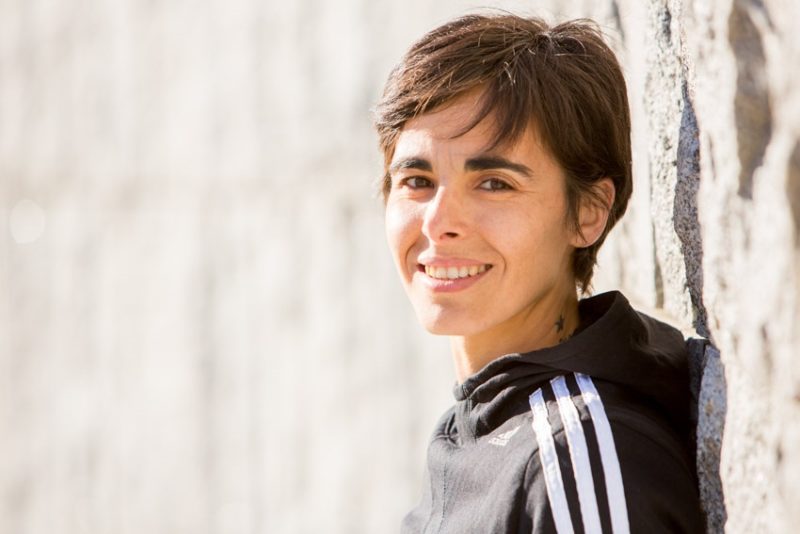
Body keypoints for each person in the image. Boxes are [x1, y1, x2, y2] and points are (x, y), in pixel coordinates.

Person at [373, 13, 705, 534]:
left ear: (587, 211)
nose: (438, 223)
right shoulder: (480, 423)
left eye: (494, 183)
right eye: (417, 180)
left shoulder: (572, 460)